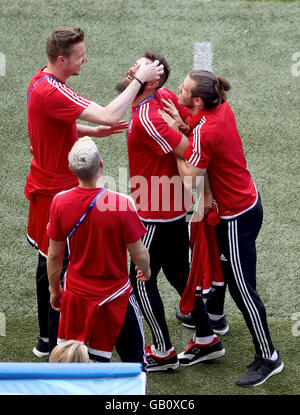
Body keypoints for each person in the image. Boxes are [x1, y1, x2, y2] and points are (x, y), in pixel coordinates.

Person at [25, 26, 163, 358]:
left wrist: (91, 132)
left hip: (47, 187)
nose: (85, 59)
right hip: (54, 192)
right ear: (62, 59)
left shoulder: (40, 83)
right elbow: (108, 112)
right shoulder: (53, 91)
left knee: (48, 261)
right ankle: (60, 338)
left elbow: (56, 122)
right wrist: (139, 80)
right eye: (80, 56)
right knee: (58, 262)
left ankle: (48, 338)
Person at [160, 69, 284, 387]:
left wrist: (174, 140)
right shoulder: (219, 109)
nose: (178, 91)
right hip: (242, 204)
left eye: (184, 90)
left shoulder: (206, 131)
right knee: (221, 266)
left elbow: (191, 179)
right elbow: (196, 131)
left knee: (243, 289)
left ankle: (269, 357)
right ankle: (214, 316)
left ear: (198, 100)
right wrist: (183, 121)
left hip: (234, 217)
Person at [115, 50, 225, 372]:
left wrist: (185, 135)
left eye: (140, 67)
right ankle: (206, 338)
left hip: (154, 214)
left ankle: (162, 352)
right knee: (179, 273)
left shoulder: (148, 116)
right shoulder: (159, 98)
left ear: (151, 80)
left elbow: (189, 150)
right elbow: (193, 124)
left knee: (140, 282)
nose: (133, 67)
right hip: (172, 208)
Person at [47, 137, 150, 368]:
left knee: (72, 362)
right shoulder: (122, 204)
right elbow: (139, 253)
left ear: (71, 169)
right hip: (115, 297)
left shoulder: (59, 203)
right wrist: (146, 270)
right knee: (135, 362)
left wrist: (55, 290)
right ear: (101, 164)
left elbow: (54, 255)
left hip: (76, 296)